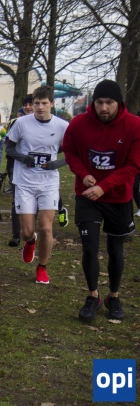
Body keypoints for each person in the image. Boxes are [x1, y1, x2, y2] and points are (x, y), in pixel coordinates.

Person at [63, 80, 140, 323]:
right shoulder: (78, 124)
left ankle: (113, 297)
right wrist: (83, 173)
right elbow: (69, 151)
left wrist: (104, 186)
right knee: (89, 247)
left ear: (119, 103)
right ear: (93, 102)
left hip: (118, 198)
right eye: (99, 102)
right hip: (88, 196)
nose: (104, 108)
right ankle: (93, 295)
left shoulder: (134, 126)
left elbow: (134, 165)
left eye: (109, 103)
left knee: (115, 250)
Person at [6, 85, 67, 284]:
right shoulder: (21, 123)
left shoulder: (62, 126)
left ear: (52, 104)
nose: (40, 107)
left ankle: (42, 267)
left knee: (46, 229)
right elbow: (9, 149)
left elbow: (74, 152)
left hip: (48, 182)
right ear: (32, 104)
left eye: (44, 103)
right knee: (26, 232)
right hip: (24, 181)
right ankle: (30, 242)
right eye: (36, 103)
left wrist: (56, 163)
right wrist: (24, 158)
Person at [5, 95, 34, 246]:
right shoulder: (16, 123)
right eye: (25, 104)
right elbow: (9, 147)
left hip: (40, 172)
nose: (28, 107)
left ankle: (31, 231)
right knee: (16, 201)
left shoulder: (49, 124)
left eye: (31, 104)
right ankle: (16, 234)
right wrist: (21, 158)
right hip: (17, 168)